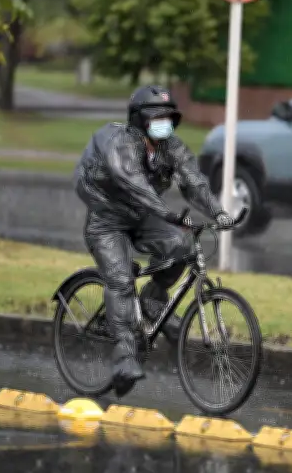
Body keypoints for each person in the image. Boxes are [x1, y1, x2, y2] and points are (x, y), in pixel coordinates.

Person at [73, 85, 234, 396]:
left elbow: (194, 180)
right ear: (139, 119)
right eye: (157, 117)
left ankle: (150, 303)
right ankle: (123, 357)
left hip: (143, 214)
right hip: (107, 220)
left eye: (169, 118)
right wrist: (169, 213)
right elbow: (134, 183)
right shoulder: (121, 143)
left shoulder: (170, 147)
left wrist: (219, 213)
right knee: (120, 280)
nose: (165, 123)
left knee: (181, 246)